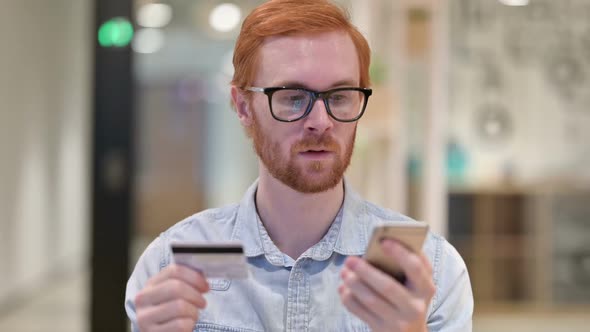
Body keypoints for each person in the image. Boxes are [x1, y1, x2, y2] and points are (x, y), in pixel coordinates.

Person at [125, 0, 473, 331]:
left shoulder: (432, 271)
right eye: (293, 98)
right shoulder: (168, 268)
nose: (320, 121)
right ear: (243, 106)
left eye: (339, 96)